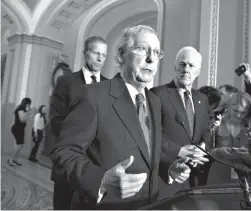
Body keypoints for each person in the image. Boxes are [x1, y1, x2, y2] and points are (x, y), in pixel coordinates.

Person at [50, 25, 191, 210]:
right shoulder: (93, 95)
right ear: (121, 55)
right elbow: (64, 153)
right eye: (142, 49)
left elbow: (147, 150)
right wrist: (101, 180)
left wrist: (168, 167)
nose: (150, 58)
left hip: (149, 204)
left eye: (156, 52)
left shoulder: (154, 101)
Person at [49, 36, 108, 210]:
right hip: (69, 166)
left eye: (103, 55)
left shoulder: (109, 85)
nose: (100, 59)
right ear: (85, 53)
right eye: (96, 53)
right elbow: (55, 122)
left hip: (96, 168)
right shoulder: (66, 82)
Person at [151, 46, 210, 198]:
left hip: (193, 180)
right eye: (182, 64)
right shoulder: (158, 94)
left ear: (197, 71)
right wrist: (179, 150)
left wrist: (202, 148)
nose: (186, 69)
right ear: (175, 67)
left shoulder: (202, 99)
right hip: (165, 175)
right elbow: (149, 135)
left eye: (191, 66)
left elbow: (206, 132)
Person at [206, 92, 251, 184]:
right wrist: (219, 152)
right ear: (229, 107)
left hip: (242, 180)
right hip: (217, 176)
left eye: (243, 113)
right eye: (235, 111)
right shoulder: (217, 124)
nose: (239, 115)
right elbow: (204, 153)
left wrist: (246, 156)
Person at [8, 97, 33, 166]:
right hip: (17, 129)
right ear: (27, 103)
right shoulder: (20, 109)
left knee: (20, 145)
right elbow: (22, 119)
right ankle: (11, 159)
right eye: (29, 104)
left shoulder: (23, 109)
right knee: (18, 145)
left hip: (20, 129)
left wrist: (28, 114)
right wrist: (29, 115)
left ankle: (15, 159)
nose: (29, 105)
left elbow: (23, 120)